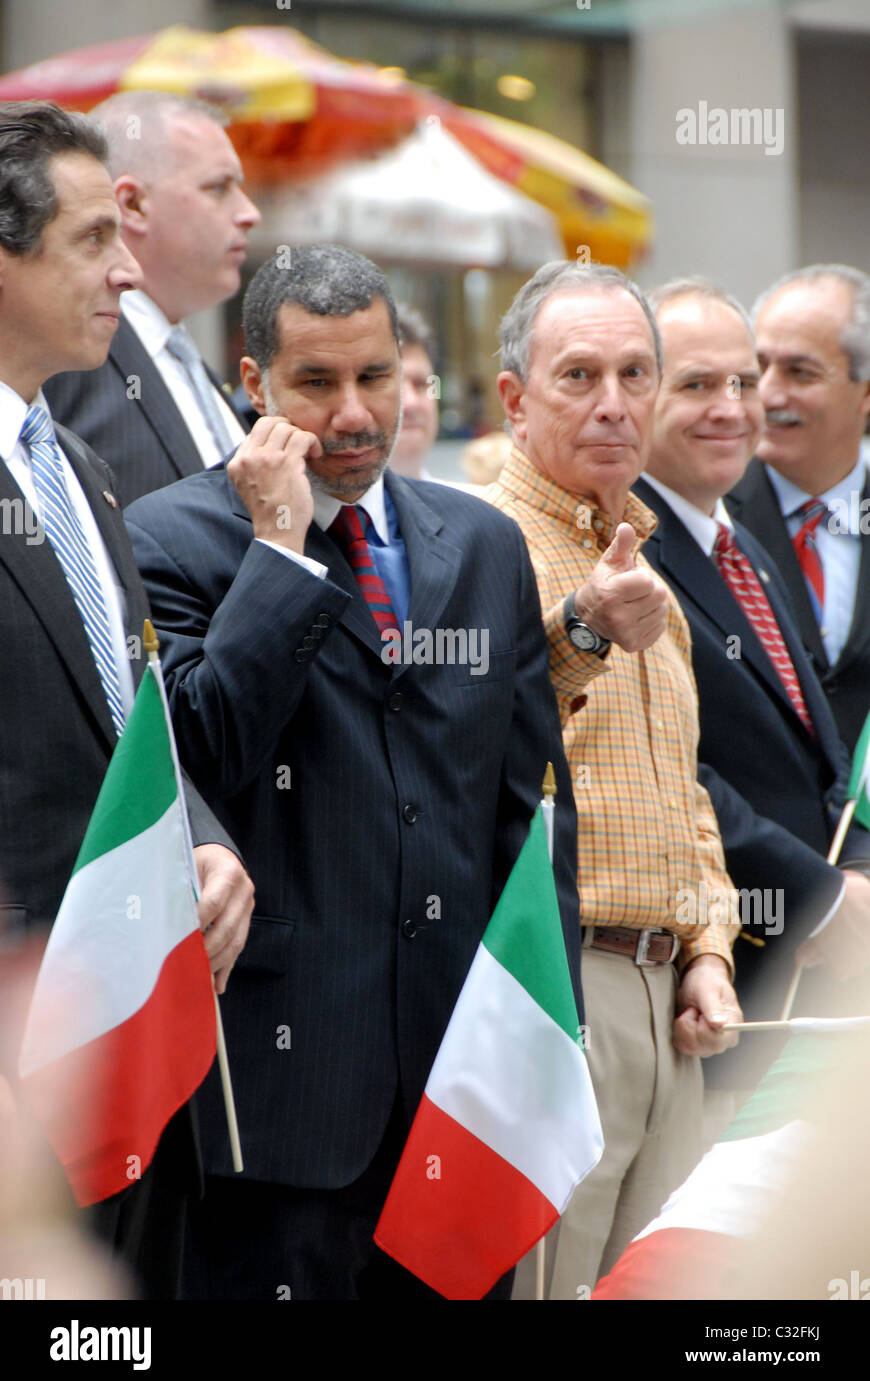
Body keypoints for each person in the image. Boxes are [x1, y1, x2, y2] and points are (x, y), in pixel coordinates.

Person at [124, 243, 581, 1301]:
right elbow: (205, 751)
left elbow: (532, 808)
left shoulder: (479, 542)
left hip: (461, 1097)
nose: (354, 413)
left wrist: (547, 1023)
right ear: (253, 386)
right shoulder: (168, 539)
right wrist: (279, 549)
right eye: (316, 383)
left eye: (376, 376)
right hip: (277, 1108)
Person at [0, 100, 254, 1298]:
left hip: (139, 1052)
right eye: (95, 238)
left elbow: (135, 704)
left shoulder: (84, 470)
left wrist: (203, 842)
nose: (125, 268)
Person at [485, 260, 743, 1299]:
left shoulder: (649, 553)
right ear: (513, 398)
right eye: (579, 374)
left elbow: (684, 792)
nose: (615, 403)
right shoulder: (474, 537)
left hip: (668, 994)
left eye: (638, 374)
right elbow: (468, 748)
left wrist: (712, 947)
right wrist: (581, 628)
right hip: (556, 984)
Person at [634, 278, 870, 1091]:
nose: (742, 405)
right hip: (710, 995)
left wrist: (856, 876)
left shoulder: (735, 544)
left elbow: (824, 750)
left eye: (744, 381)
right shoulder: (626, 554)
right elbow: (663, 766)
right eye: (698, 384)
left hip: (807, 988)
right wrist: (821, 897)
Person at [44, 91, 260, 506]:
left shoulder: (184, 358)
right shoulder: (70, 351)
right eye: (219, 187)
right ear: (133, 204)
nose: (249, 212)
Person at [727, 265, 870, 755]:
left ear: (866, 392)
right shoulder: (708, 519)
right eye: (758, 367)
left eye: (800, 372)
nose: (767, 394)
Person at [389, 305, 442, 481]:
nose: (411, 403)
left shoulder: (469, 505)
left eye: (420, 385)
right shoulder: (306, 508)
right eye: (394, 386)